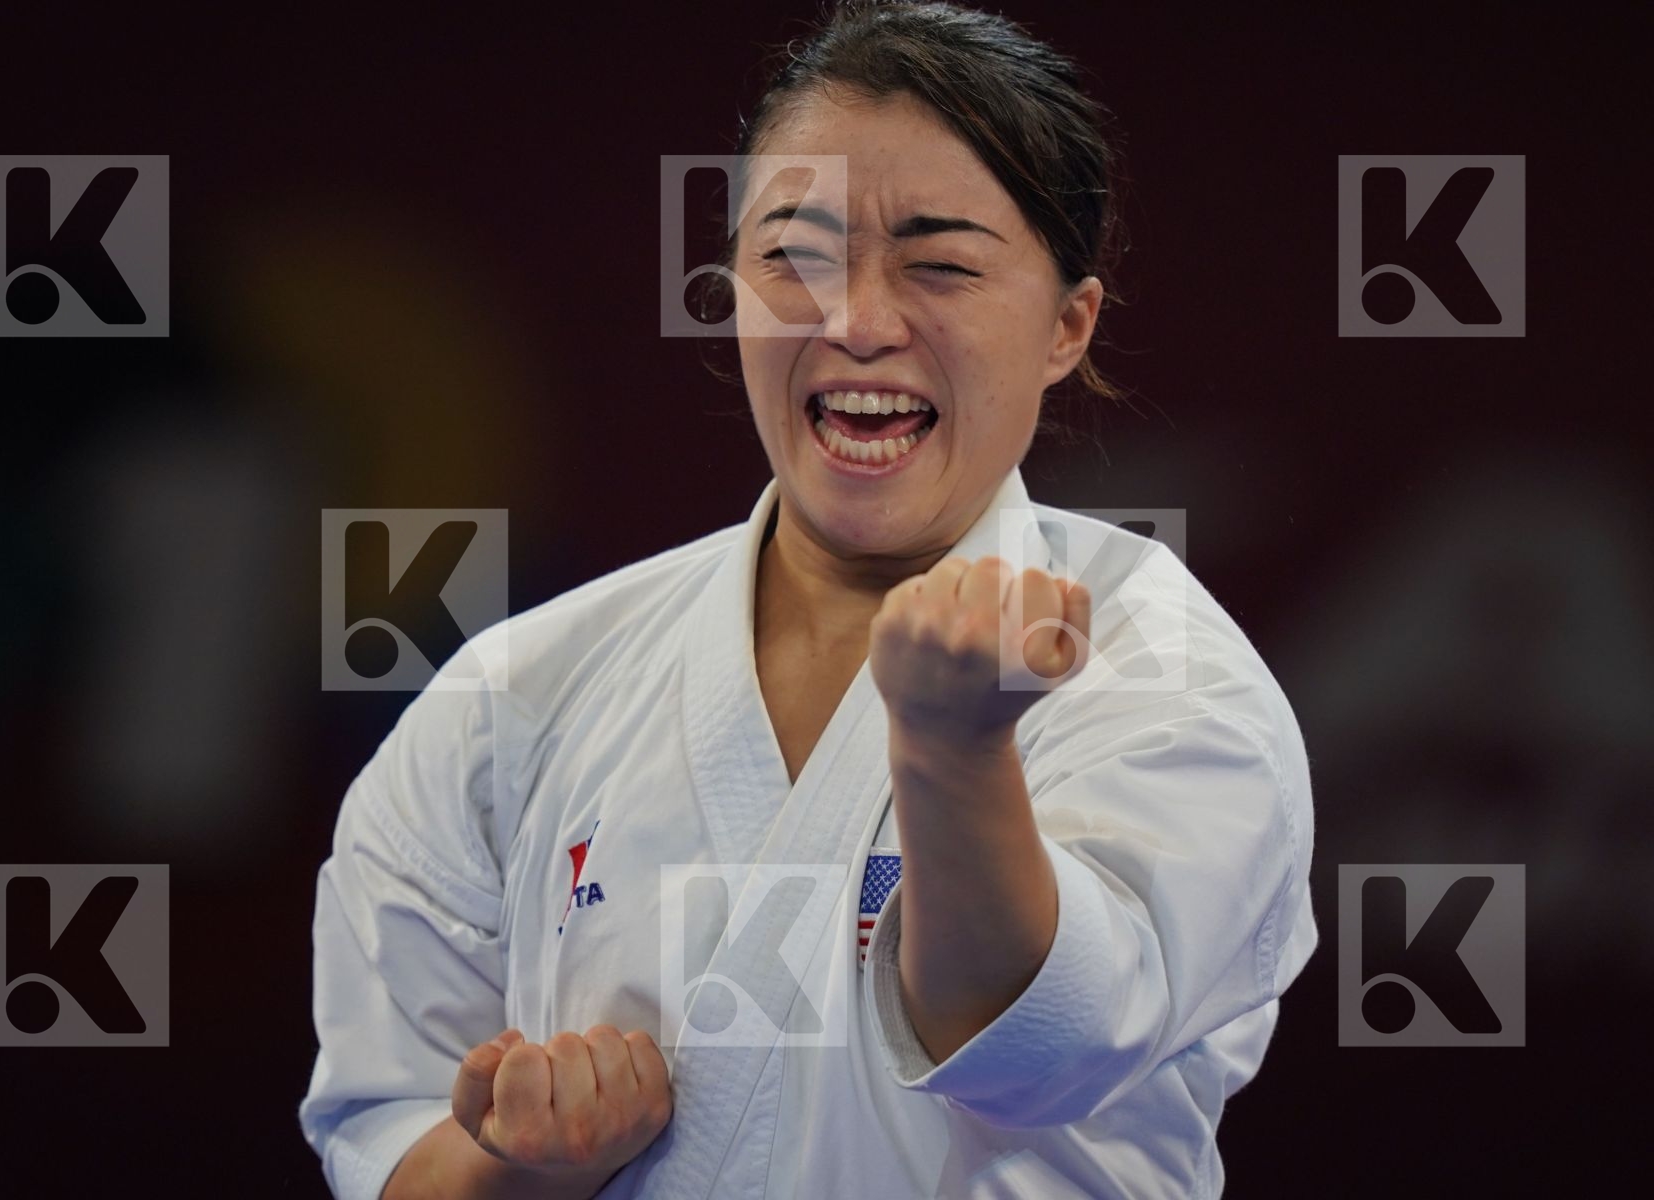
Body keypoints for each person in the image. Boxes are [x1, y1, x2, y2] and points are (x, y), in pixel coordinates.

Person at [299, 2, 1318, 1196]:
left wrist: (951, 749)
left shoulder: (1166, 671)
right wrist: (527, 1171)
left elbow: (1041, 1051)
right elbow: (381, 1138)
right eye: (795, 255)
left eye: (939, 264)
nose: (859, 323)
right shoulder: (513, 697)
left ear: (1066, 325)